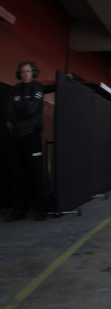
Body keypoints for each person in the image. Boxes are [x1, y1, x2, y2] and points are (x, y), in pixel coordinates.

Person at [3, 60, 57, 221]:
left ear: (33, 72)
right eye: (22, 72)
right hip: (16, 137)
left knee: (36, 174)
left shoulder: (38, 88)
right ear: (19, 74)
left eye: (27, 71)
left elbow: (31, 109)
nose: (25, 74)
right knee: (17, 175)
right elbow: (7, 113)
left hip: (31, 137)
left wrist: (19, 109)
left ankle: (42, 208)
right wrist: (23, 111)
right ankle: (19, 210)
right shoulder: (15, 90)